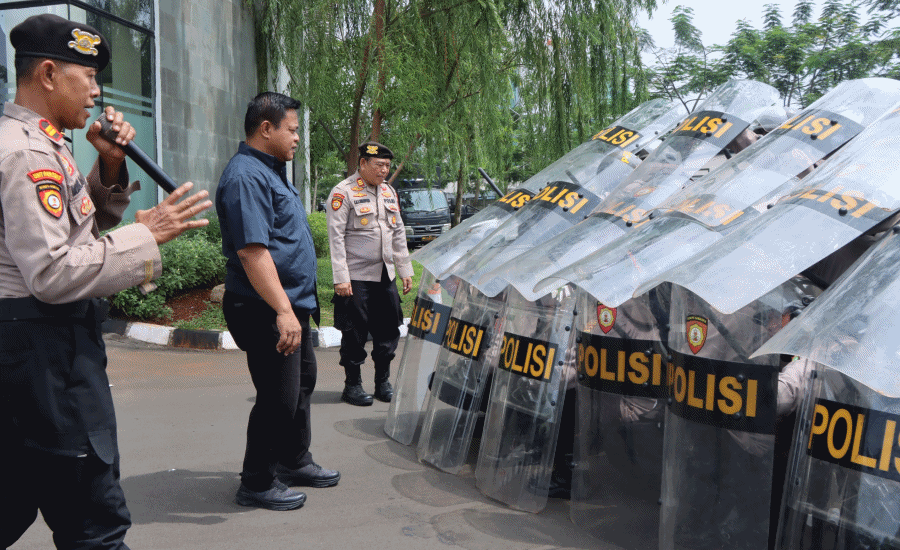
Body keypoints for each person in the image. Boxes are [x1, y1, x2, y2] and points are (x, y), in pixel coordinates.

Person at [0, 14, 212, 549]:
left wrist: (109, 165)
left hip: (36, 355)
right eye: (87, 76)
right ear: (47, 74)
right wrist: (147, 235)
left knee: (19, 496)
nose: (97, 92)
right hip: (48, 355)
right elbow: (52, 272)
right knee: (96, 524)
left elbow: (76, 232)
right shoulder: (27, 153)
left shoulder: (43, 143)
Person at [216, 91, 340, 512]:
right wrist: (284, 310)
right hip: (264, 307)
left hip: (290, 305)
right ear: (265, 129)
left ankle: (293, 461)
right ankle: (256, 480)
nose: (297, 139)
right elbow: (253, 252)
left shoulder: (270, 172)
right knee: (277, 396)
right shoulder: (247, 176)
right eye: (292, 130)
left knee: (301, 385)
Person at [326, 141, 413, 406]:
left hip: (385, 275)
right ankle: (352, 385)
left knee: (388, 330)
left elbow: (397, 232)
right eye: (378, 165)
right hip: (356, 277)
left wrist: (404, 269)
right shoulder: (343, 192)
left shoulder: (388, 192)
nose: (384, 171)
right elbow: (336, 237)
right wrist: (341, 277)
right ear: (362, 163)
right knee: (354, 332)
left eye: (387, 166)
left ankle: (382, 383)